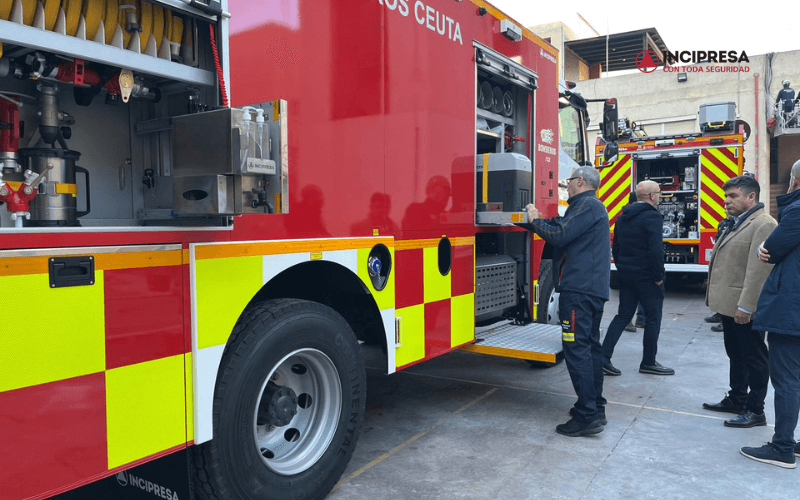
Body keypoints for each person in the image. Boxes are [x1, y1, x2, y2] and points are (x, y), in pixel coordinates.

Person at [520, 166, 610, 437]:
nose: (566, 186)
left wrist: (535, 221)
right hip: (589, 291)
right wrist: (532, 222)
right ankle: (596, 407)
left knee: (577, 350)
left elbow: (559, 236)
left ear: (580, 182)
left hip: (580, 292)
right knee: (590, 348)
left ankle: (587, 415)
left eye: (569, 181)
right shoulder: (588, 207)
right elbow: (562, 228)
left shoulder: (588, 205)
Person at [703, 175, 776, 428]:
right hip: (728, 304)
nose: (727, 201)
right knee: (736, 354)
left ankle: (756, 410)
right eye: (726, 196)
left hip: (743, 306)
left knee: (753, 357)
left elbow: (758, 271)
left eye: (733, 196)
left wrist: (747, 306)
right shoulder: (735, 222)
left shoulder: (763, 224)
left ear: (751, 197)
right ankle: (737, 398)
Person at [741, 160, 800, 468]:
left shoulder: (797, 210)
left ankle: (782, 448)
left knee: (787, 380)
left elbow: (771, 249)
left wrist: (769, 247)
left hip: (792, 311)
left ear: (794, 181)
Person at [601, 181, 672, 376]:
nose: (659, 196)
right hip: (647, 278)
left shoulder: (622, 217)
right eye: (658, 193)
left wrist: (622, 269)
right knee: (653, 319)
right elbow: (656, 250)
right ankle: (648, 362)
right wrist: (659, 277)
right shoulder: (653, 217)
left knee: (623, 316)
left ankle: (603, 357)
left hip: (626, 275)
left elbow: (616, 247)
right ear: (651, 196)